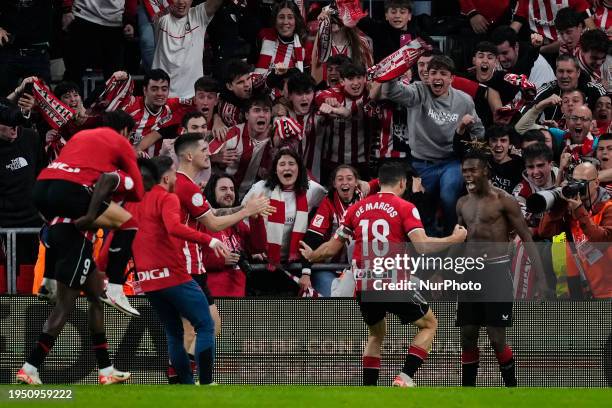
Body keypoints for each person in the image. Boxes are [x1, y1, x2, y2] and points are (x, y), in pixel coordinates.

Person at [300, 161, 467, 387]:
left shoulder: (355, 208)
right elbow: (423, 246)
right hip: (392, 282)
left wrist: (312, 256)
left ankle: (370, 390)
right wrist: (453, 239)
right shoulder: (405, 207)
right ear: (402, 182)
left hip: (365, 285)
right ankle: (405, 378)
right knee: (429, 324)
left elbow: (330, 248)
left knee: (376, 334)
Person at [16, 125, 144, 385]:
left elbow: (50, 230)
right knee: (66, 305)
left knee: (96, 299)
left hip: (60, 229)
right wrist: (94, 214)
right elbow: (110, 185)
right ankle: (30, 367)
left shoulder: (73, 183)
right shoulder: (103, 179)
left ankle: (106, 371)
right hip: (76, 243)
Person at [130, 156, 228, 385]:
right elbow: (175, 227)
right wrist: (209, 241)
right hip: (174, 276)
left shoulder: (134, 202)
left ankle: (184, 384)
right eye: (174, 173)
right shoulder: (167, 198)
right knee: (206, 325)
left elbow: (122, 234)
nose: (176, 177)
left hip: (149, 281)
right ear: (165, 177)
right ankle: (206, 382)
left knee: (174, 333)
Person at [456, 146, 547, 387]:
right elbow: (458, 240)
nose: (467, 174)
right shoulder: (462, 203)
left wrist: (542, 279)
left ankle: (511, 388)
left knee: (496, 338)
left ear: (485, 171)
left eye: (472, 170)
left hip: (496, 271)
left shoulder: (504, 200)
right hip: (469, 273)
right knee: (467, 335)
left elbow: (527, 238)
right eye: (464, 170)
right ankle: (468, 392)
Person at [379, 55, 485, 235]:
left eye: (443, 74)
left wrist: (472, 150)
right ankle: (429, 247)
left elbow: (479, 130)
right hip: (421, 163)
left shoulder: (464, 100)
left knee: (448, 196)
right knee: (422, 206)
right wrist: (392, 71)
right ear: (427, 76)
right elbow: (390, 92)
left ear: (451, 78)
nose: (438, 77)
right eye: (433, 73)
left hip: (450, 162)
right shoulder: (418, 92)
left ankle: (454, 238)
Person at [242, 147, 327, 295]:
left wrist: (362, 183)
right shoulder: (260, 189)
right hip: (264, 263)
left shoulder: (312, 189)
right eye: (282, 164)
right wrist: (253, 250)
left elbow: (332, 200)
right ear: (275, 169)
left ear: (299, 168)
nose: (287, 167)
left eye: (291, 163)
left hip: (294, 264)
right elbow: (241, 220)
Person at [539, 161, 612, 299]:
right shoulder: (571, 210)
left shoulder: (608, 208)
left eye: (582, 183)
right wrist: (558, 208)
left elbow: (601, 241)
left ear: (596, 183)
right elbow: (545, 232)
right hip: (581, 288)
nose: (577, 188)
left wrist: (579, 210)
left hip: (608, 291)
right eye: (574, 182)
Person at [0, 98, 46, 290]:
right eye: (9, 126)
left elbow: (42, 174)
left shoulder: (31, 137)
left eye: (17, 126)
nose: (14, 130)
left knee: (30, 274)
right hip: (3, 225)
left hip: (32, 221)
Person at [201, 174, 267, 297]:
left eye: (232, 189)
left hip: (238, 293)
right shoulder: (202, 222)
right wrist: (220, 260)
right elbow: (190, 257)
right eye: (223, 189)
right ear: (212, 192)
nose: (229, 192)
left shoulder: (238, 223)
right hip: (211, 296)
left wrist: (256, 218)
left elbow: (259, 247)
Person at [152, 0, 224, 98]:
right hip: (163, 96)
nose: (181, 2)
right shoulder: (161, 17)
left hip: (192, 96)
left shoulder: (199, 15)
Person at [210, 96, 274, 199]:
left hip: (253, 196)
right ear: (247, 115)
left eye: (266, 111)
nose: (262, 115)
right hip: (223, 196)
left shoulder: (275, 136)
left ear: (271, 115)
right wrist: (214, 157)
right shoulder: (232, 134)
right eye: (256, 110)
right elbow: (201, 155)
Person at [254, 1, 311, 77]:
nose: (285, 22)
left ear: (296, 21)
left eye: (290, 17)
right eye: (281, 17)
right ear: (275, 20)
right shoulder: (264, 35)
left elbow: (307, 79)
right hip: (263, 86)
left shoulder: (305, 44)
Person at [486, 125, 524, 194]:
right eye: (494, 140)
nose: (498, 144)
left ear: (510, 145)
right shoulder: (483, 162)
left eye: (503, 140)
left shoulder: (519, 165)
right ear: (488, 143)